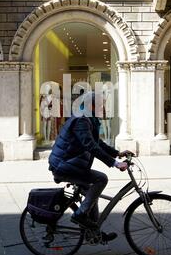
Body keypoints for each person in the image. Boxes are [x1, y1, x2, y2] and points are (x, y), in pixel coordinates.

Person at [48, 91, 132, 242]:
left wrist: (117, 153)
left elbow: (97, 142)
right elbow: (90, 146)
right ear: (91, 105)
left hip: (71, 163)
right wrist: (115, 163)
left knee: (92, 197)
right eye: (101, 105)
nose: (103, 108)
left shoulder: (88, 118)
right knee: (101, 179)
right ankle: (80, 215)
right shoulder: (82, 120)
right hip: (64, 165)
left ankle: (93, 232)